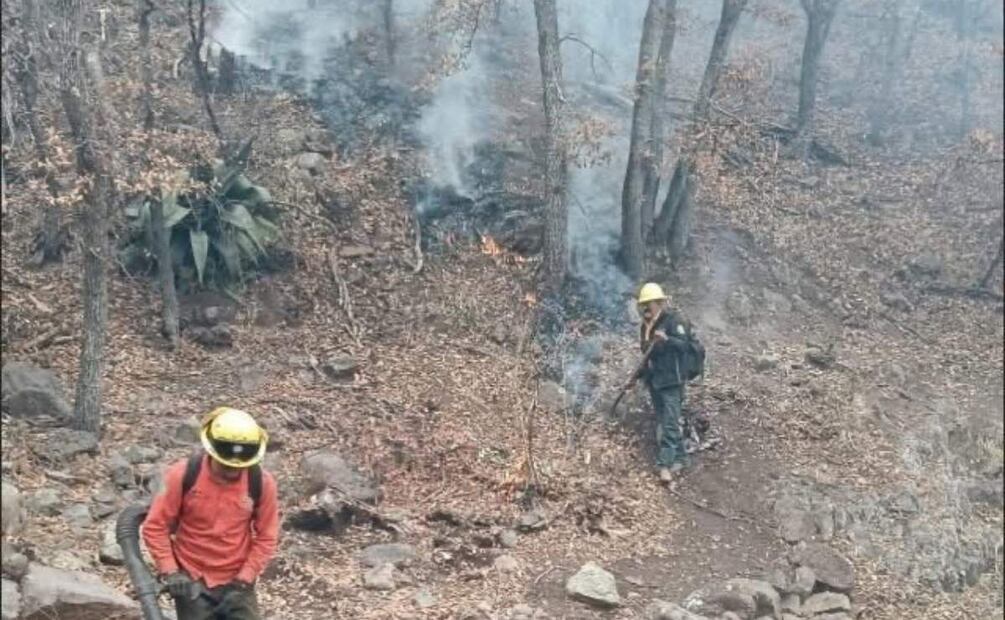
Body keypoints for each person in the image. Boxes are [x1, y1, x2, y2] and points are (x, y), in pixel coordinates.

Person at [142, 407, 280, 620]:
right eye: (225, 465)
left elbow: (267, 536)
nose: (232, 471)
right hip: (192, 576)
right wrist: (170, 571)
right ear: (211, 451)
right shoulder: (182, 474)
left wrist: (245, 577)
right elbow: (155, 526)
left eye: (238, 467)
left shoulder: (261, 483)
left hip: (237, 579)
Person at [628, 283, 692, 484]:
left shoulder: (674, 321)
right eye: (644, 305)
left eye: (650, 304)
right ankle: (682, 458)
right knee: (665, 420)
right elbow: (646, 355)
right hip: (655, 381)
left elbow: (684, 345)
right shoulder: (645, 327)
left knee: (670, 423)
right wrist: (636, 378)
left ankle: (664, 465)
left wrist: (667, 340)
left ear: (660, 303)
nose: (647, 309)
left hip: (672, 381)